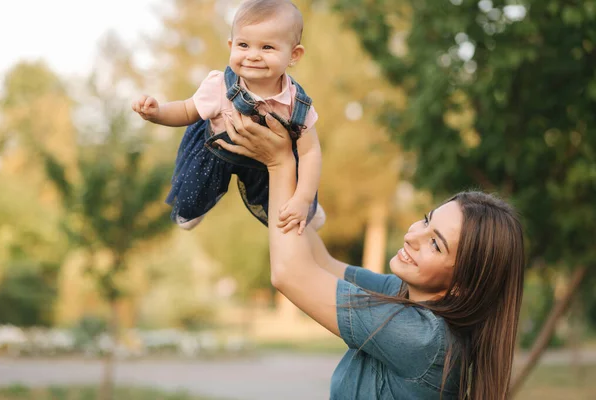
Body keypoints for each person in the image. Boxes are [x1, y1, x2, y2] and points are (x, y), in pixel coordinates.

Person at [215, 110, 526, 400]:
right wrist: (272, 174)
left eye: (435, 244)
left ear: (463, 285)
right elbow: (321, 263)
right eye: (427, 220)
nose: (413, 235)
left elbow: (290, 274)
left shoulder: (425, 339)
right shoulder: (399, 293)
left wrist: (280, 164)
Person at [131, 0, 323, 233]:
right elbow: (186, 110)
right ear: (231, 45)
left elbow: (310, 152)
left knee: (285, 209)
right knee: (193, 192)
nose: (253, 55)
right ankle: (196, 209)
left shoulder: (296, 103)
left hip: (263, 165)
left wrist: (303, 199)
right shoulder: (219, 85)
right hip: (215, 150)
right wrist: (157, 113)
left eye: (267, 48)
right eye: (244, 45)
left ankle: (311, 208)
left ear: (294, 54)